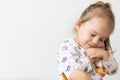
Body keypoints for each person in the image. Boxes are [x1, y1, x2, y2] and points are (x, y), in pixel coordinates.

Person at [57, 1, 119, 80]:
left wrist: (105, 55)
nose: (96, 42)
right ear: (79, 25)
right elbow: (69, 73)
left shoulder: (99, 49)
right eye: (92, 35)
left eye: (102, 39)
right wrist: (88, 60)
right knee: (77, 74)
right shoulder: (68, 46)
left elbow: (112, 71)